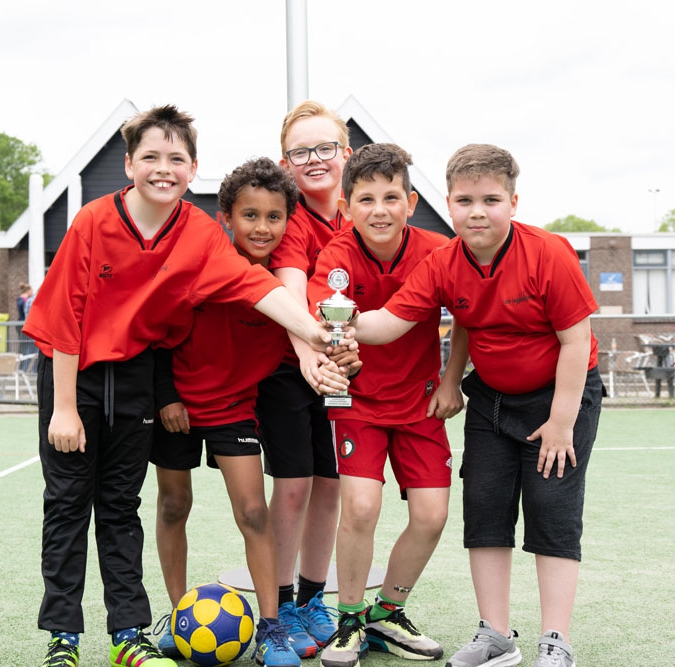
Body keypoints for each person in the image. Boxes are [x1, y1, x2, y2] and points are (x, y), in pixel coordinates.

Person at [22, 105, 337, 667]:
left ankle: (129, 636)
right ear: (128, 164)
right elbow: (66, 313)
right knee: (69, 505)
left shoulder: (197, 232)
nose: (163, 169)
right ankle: (62, 640)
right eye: (150, 157)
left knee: (120, 506)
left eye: (176, 158)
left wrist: (318, 332)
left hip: (138, 373)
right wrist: (64, 408)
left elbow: (253, 286)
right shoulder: (94, 220)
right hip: (74, 372)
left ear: (193, 169)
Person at [352, 144, 603, 667]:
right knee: (485, 514)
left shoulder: (549, 253)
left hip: (560, 399)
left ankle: (556, 640)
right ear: (449, 204)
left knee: (551, 515)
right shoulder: (443, 261)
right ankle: (495, 635)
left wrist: (561, 423)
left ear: (513, 201)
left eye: (491, 199)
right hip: (490, 399)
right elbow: (390, 323)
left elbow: (577, 343)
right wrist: (327, 324)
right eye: (465, 201)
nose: (478, 211)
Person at [151, 157, 318, 667]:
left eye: (273, 217)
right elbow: (156, 332)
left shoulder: (284, 291)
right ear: (226, 217)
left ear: (288, 221)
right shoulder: (201, 264)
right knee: (174, 505)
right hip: (177, 405)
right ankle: (178, 614)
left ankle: (270, 627)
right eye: (250, 215)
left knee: (252, 512)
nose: (262, 227)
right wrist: (165, 397)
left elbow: (305, 341)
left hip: (233, 409)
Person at [308, 144, 453, 667]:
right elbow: (328, 325)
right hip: (359, 402)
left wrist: (451, 380)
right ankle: (348, 617)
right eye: (365, 199)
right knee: (362, 507)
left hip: (419, 403)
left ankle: (387, 612)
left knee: (433, 516)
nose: (380, 209)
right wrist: (332, 352)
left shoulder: (440, 250)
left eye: (391, 196)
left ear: (411, 202)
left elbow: (466, 318)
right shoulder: (336, 257)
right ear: (346, 207)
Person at [255, 100, 355, 656]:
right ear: (285, 160)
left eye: (324, 148)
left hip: (339, 372)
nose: (313, 159)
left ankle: (314, 599)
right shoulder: (288, 219)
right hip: (289, 372)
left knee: (332, 486)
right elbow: (290, 291)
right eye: (300, 151)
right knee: (292, 489)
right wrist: (308, 354)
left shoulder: (361, 213)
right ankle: (283, 602)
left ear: (346, 154)